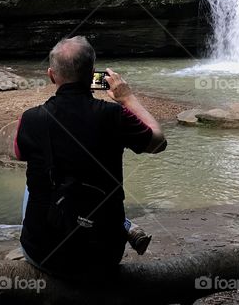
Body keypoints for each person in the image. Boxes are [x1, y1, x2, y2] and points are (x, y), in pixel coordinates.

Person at [14, 36, 167, 277]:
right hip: (104, 256)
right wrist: (127, 98)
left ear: (52, 75)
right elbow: (159, 142)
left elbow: (18, 154)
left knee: (35, 178)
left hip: (43, 255)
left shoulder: (31, 118)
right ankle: (124, 225)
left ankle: (120, 225)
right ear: (92, 76)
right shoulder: (115, 115)